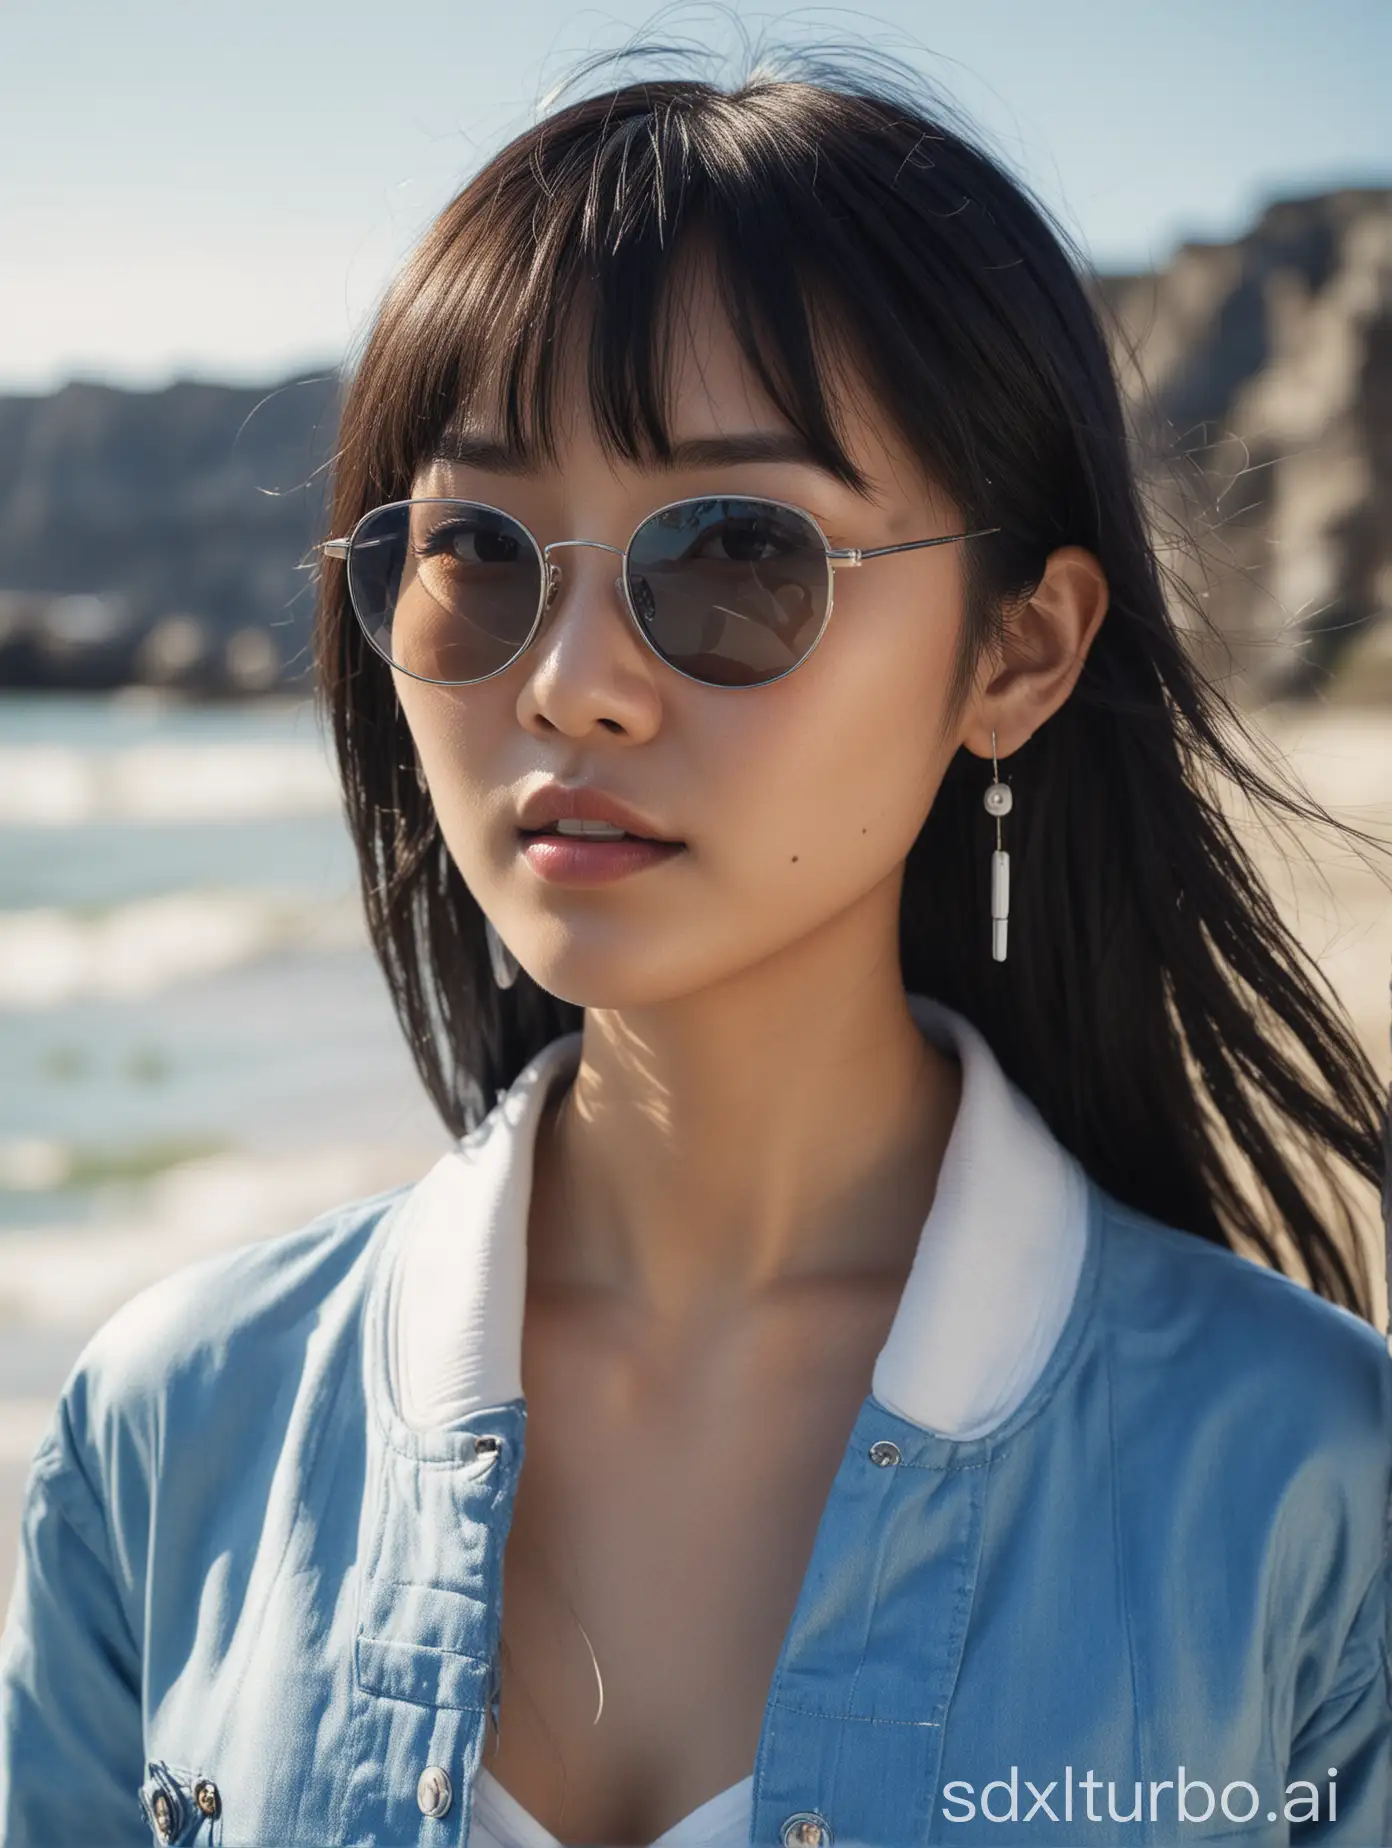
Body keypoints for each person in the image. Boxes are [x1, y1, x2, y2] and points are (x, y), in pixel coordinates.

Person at [2, 46, 1390, 1848]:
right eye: (481, 553)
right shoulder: (170, 1433)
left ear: (1018, 652)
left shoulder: (1313, 1496)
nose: (569, 680)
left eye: (737, 552)